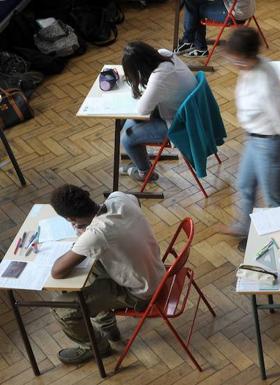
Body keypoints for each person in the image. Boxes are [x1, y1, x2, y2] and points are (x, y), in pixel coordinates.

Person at [49, 185, 165, 365]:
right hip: (156, 272)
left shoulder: (96, 234)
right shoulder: (119, 198)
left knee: (62, 310)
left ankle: (96, 347)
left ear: (71, 218)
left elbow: (57, 272)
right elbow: (136, 203)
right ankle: (109, 328)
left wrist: (84, 236)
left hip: (140, 293)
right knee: (90, 275)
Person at [220, 27, 280, 246]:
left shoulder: (263, 79)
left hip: (270, 142)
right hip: (254, 138)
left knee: (275, 198)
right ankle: (245, 229)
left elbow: (278, 114)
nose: (235, 65)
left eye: (239, 60)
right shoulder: (255, 66)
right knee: (244, 184)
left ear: (250, 56)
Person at [120, 41, 197, 182]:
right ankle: (139, 159)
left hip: (179, 127)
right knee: (129, 123)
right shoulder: (164, 54)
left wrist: (136, 84)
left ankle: (145, 173)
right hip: (190, 114)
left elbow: (142, 110)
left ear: (138, 69)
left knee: (127, 137)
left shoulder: (158, 78)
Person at [175, 0, 256, 57]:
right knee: (192, 2)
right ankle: (192, 42)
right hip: (246, 7)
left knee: (196, 8)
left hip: (236, 13)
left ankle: (193, 43)